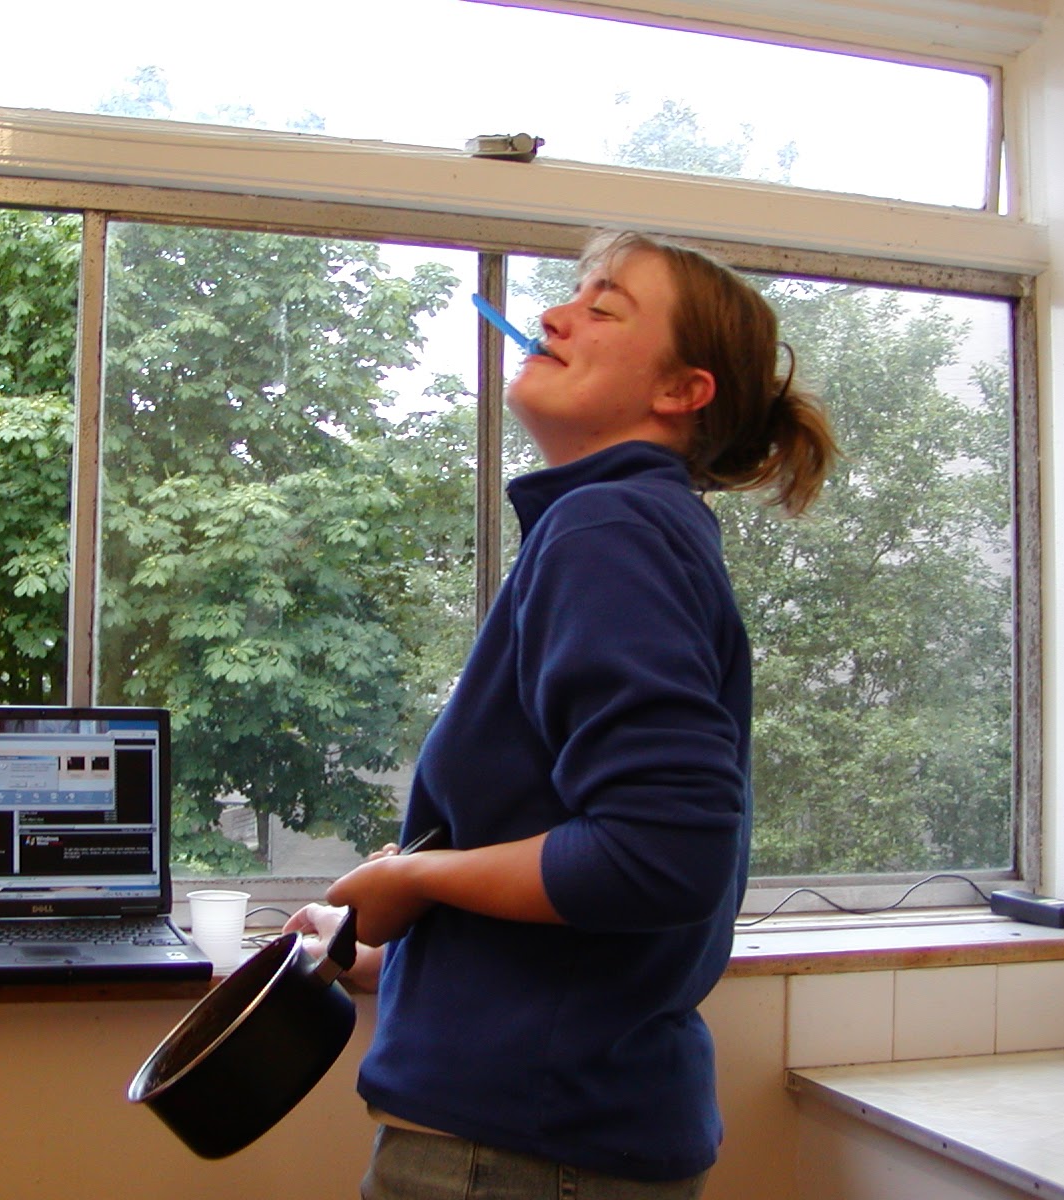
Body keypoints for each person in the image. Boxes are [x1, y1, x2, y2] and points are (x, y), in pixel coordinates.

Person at [285, 229, 838, 1199]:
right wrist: (390, 958)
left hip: (522, 1158)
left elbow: (661, 855)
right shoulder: (616, 528)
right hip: (538, 1138)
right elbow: (577, 889)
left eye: (604, 305)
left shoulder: (609, 526)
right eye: (570, 293)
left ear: (680, 391)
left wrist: (422, 877)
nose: (551, 313)